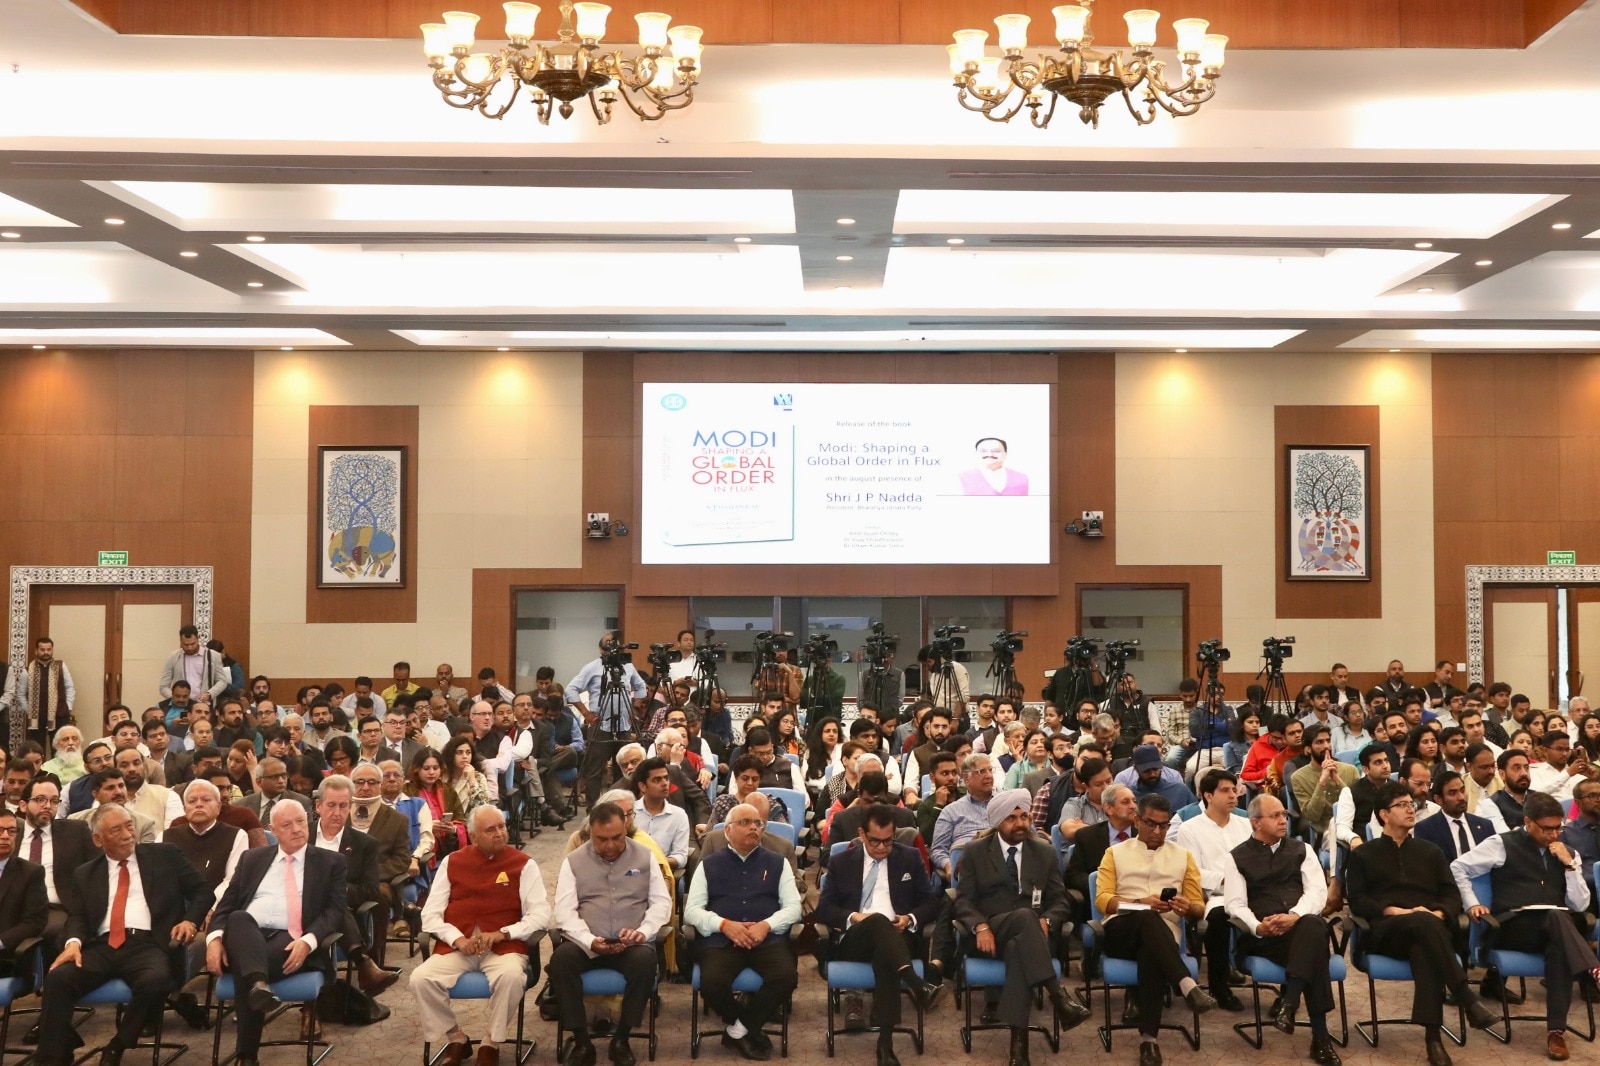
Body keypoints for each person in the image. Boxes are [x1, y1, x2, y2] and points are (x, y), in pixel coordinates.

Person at [34, 805, 212, 1066]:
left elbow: (203, 891)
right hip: (101, 945)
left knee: (155, 980)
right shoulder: (85, 873)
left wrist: (189, 920)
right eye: (116, 829)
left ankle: (118, 1044)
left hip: (148, 944)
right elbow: (79, 918)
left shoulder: (164, 855)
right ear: (98, 840)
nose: (128, 834)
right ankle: (53, 1057)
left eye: (129, 825)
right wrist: (73, 943)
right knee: (58, 977)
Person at [1344, 781, 1496, 1066]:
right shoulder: (1364, 854)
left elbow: (1451, 895)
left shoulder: (1430, 851)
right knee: (1424, 928)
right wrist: (1395, 912)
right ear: (1383, 815)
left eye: (1411, 804)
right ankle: (1465, 997)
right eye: (1402, 805)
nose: (1410, 809)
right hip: (1386, 932)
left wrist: (1437, 914)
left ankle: (1433, 1040)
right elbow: (1358, 900)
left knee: (1424, 946)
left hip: (1428, 930)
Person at [1450, 790, 1600, 1062]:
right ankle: (1593, 967)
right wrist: (1472, 903)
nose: (1554, 834)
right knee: (1558, 921)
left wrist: (1569, 866)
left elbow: (1579, 905)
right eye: (1547, 829)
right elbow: (1458, 867)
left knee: (1559, 944)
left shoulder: (1568, 852)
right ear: (1528, 822)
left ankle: (1556, 1032)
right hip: (1512, 928)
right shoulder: (1501, 843)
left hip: (1554, 930)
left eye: (1559, 827)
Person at [954, 789, 1090, 1066]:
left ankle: (1020, 1049)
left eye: (1024, 816)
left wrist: (1049, 919)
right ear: (997, 821)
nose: (1020, 824)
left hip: (1032, 938)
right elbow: (963, 901)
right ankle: (1058, 997)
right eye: (1011, 818)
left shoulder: (1045, 852)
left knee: (1021, 941)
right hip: (990, 935)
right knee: (1025, 916)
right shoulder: (975, 851)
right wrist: (979, 925)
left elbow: (1060, 900)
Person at [205, 800, 347, 1066]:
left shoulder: (331, 862)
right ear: (273, 829)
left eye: (301, 822)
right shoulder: (252, 859)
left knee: (248, 967)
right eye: (287, 825)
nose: (296, 829)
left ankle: (247, 1053)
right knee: (238, 917)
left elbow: (335, 912)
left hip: (290, 939)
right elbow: (225, 907)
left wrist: (308, 941)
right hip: (246, 934)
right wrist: (213, 941)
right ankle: (259, 986)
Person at [413, 807, 550, 1066]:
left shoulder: (523, 863)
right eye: (491, 830)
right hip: (458, 947)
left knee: (510, 976)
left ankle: (491, 1043)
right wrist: (457, 939)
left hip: (504, 947)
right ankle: (456, 1038)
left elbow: (541, 915)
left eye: (502, 826)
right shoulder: (452, 862)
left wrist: (503, 933)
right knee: (421, 978)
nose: (500, 833)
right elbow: (430, 914)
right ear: (474, 837)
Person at [812, 804, 943, 1066]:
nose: (882, 848)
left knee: (886, 954)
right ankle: (917, 984)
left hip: (899, 936)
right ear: (862, 834)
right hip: (855, 940)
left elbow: (931, 902)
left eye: (888, 841)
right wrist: (854, 917)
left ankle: (885, 1044)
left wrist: (909, 919)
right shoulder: (841, 861)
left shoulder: (909, 857)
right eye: (875, 841)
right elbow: (824, 909)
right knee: (876, 922)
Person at [548, 801, 671, 1066]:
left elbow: (662, 902)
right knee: (560, 961)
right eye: (602, 840)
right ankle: (582, 1041)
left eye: (617, 838)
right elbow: (565, 911)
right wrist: (590, 940)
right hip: (587, 942)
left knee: (646, 962)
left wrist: (644, 931)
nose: (611, 845)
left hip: (632, 943)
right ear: (590, 833)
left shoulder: (645, 855)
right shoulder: (574, 861)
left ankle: (622, 1038)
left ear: (626, 828)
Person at [1221, 794, 1340, 1066]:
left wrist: (1294, 916)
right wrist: (1258, 927)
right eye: (1275, 815)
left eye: (1284, 814)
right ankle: (1319, 1039)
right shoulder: (1237, 857)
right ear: (1255, 822)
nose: (1283, 820)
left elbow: (1318, 892)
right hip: (1265, 938)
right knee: (1315, 948)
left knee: (1311, 925)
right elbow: (1235, 904)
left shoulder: (1302, 849)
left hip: (1299, 928)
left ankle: (1290, 1002)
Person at [1096, 794, 1215, 1065]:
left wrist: (1188, 907)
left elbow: (1198, 907)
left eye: (1163, 825)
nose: (1158, 831)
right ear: (1137, 820)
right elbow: (1103, 900)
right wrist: (1139, 903)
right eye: (1151, 824)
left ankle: (1149, 1041)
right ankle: (1187, 985)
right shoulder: (1114, 853)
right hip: (1121, 930)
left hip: (1163, 936)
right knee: (1148, 916)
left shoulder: (1183, 857)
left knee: (1151, 951)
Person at [684, 802, 802, 1061]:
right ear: (727, 830)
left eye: (758, 823)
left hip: (766, 938)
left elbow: (794, 908)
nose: (753, 828)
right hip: (721, 939)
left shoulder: (777, 862)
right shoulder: (709, 865)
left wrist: (766, 925)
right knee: (712, 982)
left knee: (786, 977)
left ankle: (738, 1030)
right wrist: (724, 925)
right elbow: (691, 911)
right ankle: (749, 1029)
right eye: (745, 823)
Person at [308, 774, 399, 996]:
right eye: (331, 805)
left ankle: (315, 1003)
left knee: (331, 898)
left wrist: (335, 889)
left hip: (337, 910)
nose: (337, 813)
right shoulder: (302, 835)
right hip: (296, 906)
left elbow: (370, 890)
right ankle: (361, 959)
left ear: (350, 807)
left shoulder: (364, 844)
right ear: (318, 806)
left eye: (343, 806)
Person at [1170, 769, 1252, 1011]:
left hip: (1251, 892)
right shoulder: (1190, 828)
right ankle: (1220, 985)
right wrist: (1228, 880)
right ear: (1207, 795)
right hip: (1217, 895)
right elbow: (1193, 872)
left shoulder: (1246, 824)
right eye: (1224, 790)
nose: (1233, 795)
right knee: (1218, 918)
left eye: (1234, 789)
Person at [567, 634, 650, 808]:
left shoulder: (627, 666)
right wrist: (586, 713)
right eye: (607, 645)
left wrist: (634, 708)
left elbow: (641, 687)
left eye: (615, 645)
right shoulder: (592, 667)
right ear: (601, 649)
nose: (611, 648)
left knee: (626, 769)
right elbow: (571, 690)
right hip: (600, 725)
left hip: (624, 726)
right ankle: (593, 809)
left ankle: (623, 807)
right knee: (595, 771)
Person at [930, 754, 997, 881]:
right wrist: (949, 866)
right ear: (966, 778)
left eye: (990, 770)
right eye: (981, 771)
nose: (989, 775)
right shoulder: (951, 811)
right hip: (968, 873)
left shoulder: (1005, 804)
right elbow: (938, 849)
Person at [1, 636, 75, 745]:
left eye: (49, 649)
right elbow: (20, 695)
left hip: (60, 715)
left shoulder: (60, 667)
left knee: (60, 748)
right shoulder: (27, 671)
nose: (46, 652)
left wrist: (68, 707)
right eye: (42, 649)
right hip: (37, 719)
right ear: (36, 651)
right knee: (37, 748)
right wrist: (30, 711)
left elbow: (70, 688)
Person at [1413, 771, 1500, 861]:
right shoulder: (1426, 829)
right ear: (1438, 799)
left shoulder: (1485, 825)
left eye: (1462, 790)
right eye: (1452, 793)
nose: (1461, 797)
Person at [632, 757, 690, 872]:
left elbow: (681, 857)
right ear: (642, 786)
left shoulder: (678, 815)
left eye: (666, 778)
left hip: (661, 872)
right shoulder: (629, 812)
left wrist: (655, 861)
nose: (664, 783)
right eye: (657, 780)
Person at [158, 625, 229, 702]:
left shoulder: (213, 656)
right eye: (186, 644)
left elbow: (222, 681)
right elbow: (164, 686)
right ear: (180, 641)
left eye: (192, 644)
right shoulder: (173, 657)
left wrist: (209, 694)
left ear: (198, 639)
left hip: (205, 704)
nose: (189, 648)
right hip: (180, 706)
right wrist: (176, 699)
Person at [958, 436, 1029, 496]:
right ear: (976, 453)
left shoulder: (1022, 478)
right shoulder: (961, 477)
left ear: (1005, 453)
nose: (990, 454)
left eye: (996, 451)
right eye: (983, 451)